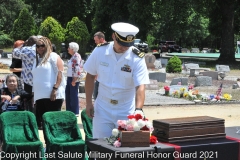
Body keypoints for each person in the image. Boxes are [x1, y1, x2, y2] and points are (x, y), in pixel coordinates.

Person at [83, 22, 150, 138]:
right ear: (114, 36)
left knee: (125, 149)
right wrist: (88, 102)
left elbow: (140, 86)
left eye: (128, 44)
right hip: (103, 108)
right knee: (100, 147)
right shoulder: (100, 51)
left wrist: (138, 109)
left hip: (125, 109)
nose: (125, 47)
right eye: (122, 43)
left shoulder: (136, 58)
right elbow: (90, 76)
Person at [32, 37, 65, 129]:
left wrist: (55, 89)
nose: (39, 48)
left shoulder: (53, 56)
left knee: (53, 123)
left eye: (42, 45)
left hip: (52, 95)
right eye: (37, 46)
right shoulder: (37, 59)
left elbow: (60, 73)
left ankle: (57, 142)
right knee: (44, 124)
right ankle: (48, 142)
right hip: (39, 96)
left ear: (47, 45)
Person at [65, 42, 82, 117]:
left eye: (69, 48)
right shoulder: (73, 56)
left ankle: (75, 111)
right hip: (69, 77)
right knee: (68, 94)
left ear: (72, 49)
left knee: (73, 95)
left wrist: (74, 80)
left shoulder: (76, 56)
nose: (68, 49)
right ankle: (69, 110)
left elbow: (77, 69)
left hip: (73, 78)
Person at [93, 32, 108, 100]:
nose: (95, 42)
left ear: (101, 39)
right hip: (98, 78)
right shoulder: (98, 49)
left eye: (96, 41)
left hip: (106, 79)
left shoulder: (109, 49)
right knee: (96, 96)